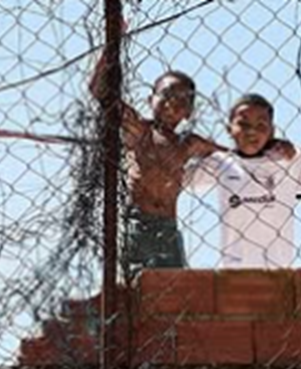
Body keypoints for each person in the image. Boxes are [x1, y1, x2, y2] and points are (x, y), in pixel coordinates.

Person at [89, 51, 225, 270]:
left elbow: (233, 155)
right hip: (139, 223)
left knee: (177, 288)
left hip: (169, 226)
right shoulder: (141, 131)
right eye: (166, 95)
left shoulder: (188, 143)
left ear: (189, 111)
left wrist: (271, 150)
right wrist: (112, 47)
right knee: (135, 287)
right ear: (150, 100)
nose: (172, 103)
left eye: (182, 99)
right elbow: (100, 91)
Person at [188, 94, 301, 269]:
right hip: (235, 269)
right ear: (229, 129)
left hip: (279, 268)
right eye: (243, 124)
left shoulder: (287, 161)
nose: (251, 131)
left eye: (261, 125)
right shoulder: (221, 163)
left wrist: (291, 151)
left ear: (272, 131)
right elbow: (179, 180)